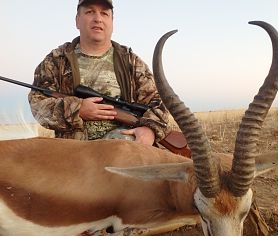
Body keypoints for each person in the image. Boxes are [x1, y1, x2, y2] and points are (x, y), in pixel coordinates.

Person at [28, 0, 171, 145]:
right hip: (72, 157)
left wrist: (149, 130)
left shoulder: (131, 62)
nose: (98, 18)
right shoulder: (56, 61)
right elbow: (37, 105)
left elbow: (159, 104)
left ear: (112, 22)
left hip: (123, 153)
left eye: (104, 13)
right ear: (77, 21)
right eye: (90, 12)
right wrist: (77, 109)